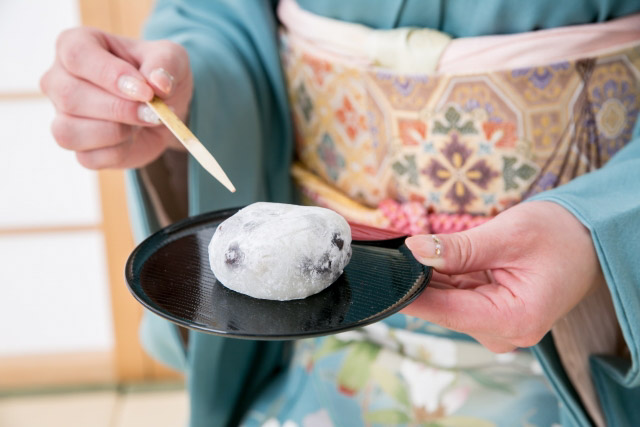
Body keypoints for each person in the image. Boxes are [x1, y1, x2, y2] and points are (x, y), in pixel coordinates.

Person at [40, 0, 640, 425]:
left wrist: (598, 225)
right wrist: (184, 94)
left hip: (583, 335)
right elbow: (220, 15)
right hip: (320, 324)